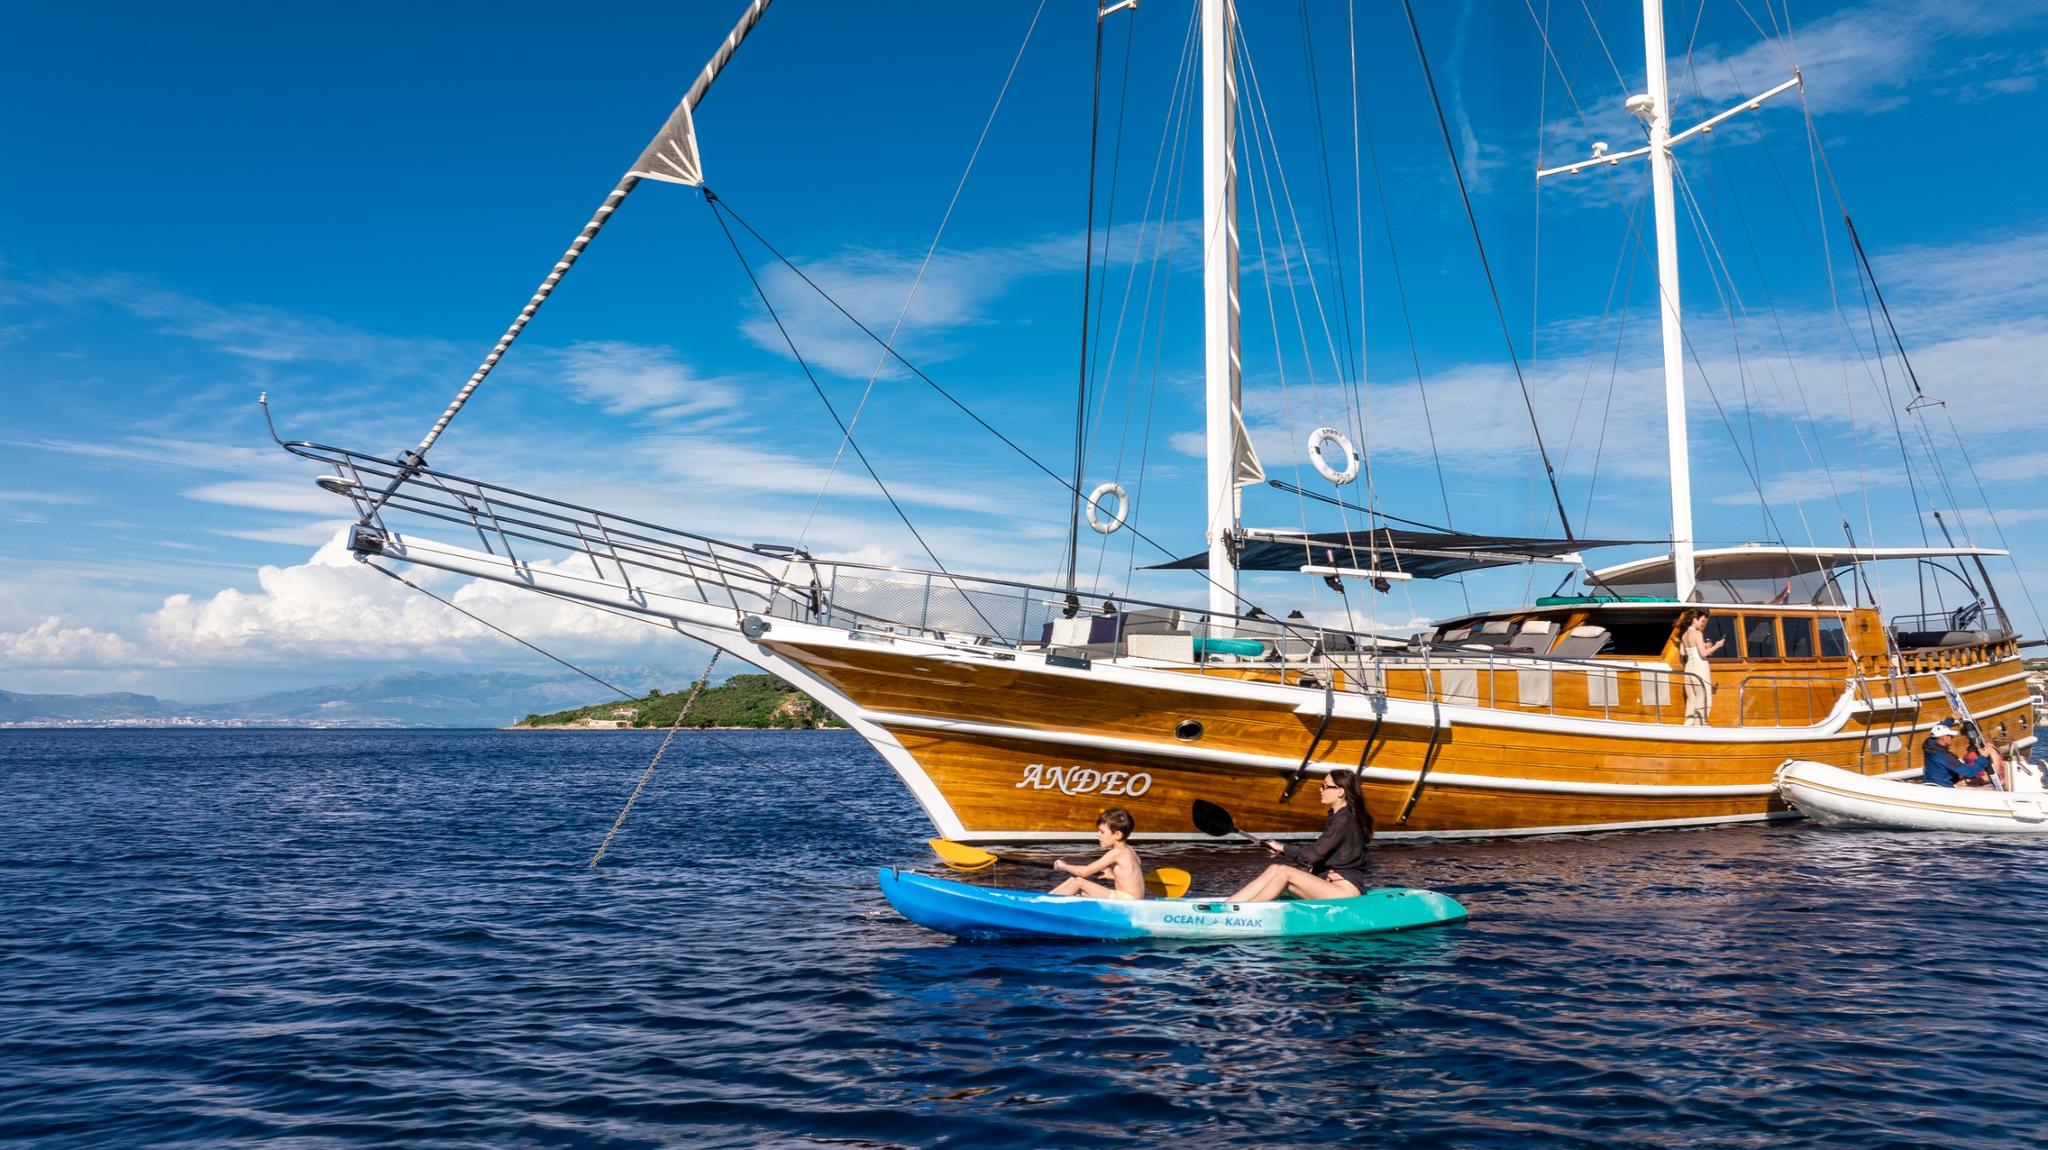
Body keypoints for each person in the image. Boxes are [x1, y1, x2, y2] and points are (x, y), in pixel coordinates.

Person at [1226, 769, 1373, 902]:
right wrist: (1284, 851)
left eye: (1325, 786)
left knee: (1284, 872)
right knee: (1274, 868)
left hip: (1344, 892)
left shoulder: (1344, 819)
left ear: (1340, 791)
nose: (1320, 789)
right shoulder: (1339, 817)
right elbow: (1323, 855)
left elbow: (1312, 855)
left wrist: (1283, 847)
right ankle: (1230, 905)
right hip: (1332, 886)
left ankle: (1245, 912)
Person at [1050, 807, 1146, 900]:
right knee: (1081, 890)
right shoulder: (1130, 850)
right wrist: (1112, 875)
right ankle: (1045, 899)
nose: (1098, 835)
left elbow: (1083, 872)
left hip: (1127, 901)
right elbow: (1130, 878)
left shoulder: (1117, 852)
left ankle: (1042, 903)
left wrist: (1063, 865)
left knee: (1078, 882)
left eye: (1102, 832)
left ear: (1117, 835)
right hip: (1134, 900)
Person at [1922, 720, 2002, 788]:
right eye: (1950, 736)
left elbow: (1995, 776)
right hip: (1943, 788)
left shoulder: (1928, 744)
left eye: (1968, 737)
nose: (1952, 738)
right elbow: (1968, 772)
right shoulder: (1946, 757)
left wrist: (1951, 719)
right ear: (1944, 737)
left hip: (1983, 783)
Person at [1677, 609, 1724, 725]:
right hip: (1699, 667)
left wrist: (1704, 646)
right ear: (1695, 620)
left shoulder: (1684, 635)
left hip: (1689, 668)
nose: (1703, 623)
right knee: (1704, 697)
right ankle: (1700, 725)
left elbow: (1683, 653)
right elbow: (1703, 654)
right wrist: (1717, 646)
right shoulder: (1697, 633)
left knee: (1691, 699)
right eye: (1701, 621)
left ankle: (1688, 724)